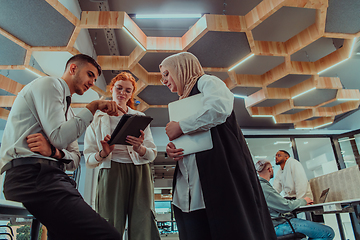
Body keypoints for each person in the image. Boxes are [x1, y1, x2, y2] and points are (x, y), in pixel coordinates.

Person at [0, 54, 123, 240]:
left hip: (54, 178)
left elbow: (74, 159)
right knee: (108, 236)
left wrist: (53, 152)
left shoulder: (69, 112)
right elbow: (58, 137)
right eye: (89, 75)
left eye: (95, 79)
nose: (91, 82)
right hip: (31, 175)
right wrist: (93, 106)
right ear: (73, 69)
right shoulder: (49, 84)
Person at [159, 52, 276, 240]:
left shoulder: (207, 82)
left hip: (218, 176)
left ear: (181, 68)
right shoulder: (181, 103)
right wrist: (173, 148)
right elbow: (192, 140)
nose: (163, 81)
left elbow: (219, 108)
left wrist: (181, 126)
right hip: (191, 186)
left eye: (166, 74)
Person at [84, 72, 161, 240]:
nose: (122, 93)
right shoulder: (97, 118)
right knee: (109, 220)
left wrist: (139, 148)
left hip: (140, 171)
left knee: (143, 222)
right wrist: (103, 153)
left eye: (128, 91)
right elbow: (88, 159)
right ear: (112, 89)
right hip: (111, 170)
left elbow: (151, 154)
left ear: (131, 94)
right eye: (119, 88)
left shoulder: (139, 117)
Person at [256, 159, 335, 239]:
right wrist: (304, 201)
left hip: (272, 225)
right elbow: (286, 206)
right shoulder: (264, 187)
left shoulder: (260, 186)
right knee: (328, 232)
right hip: (278, 225)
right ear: (270, 169)